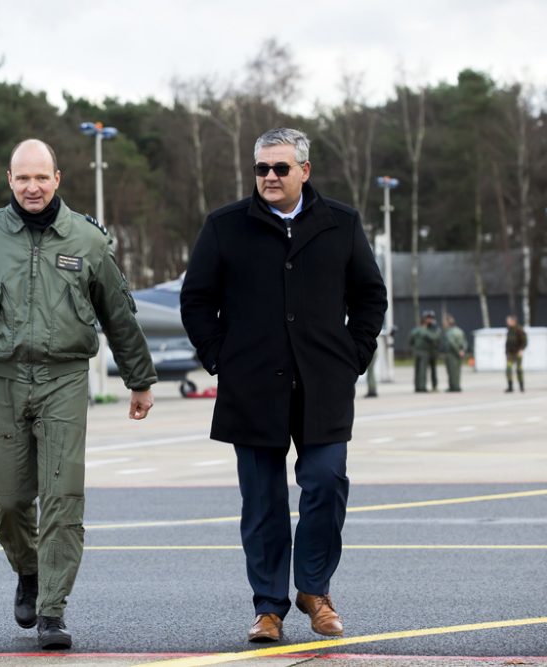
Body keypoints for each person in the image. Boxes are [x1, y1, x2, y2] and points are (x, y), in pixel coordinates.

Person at [0, 138, 157, 651]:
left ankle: (53, 610)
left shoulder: (88, 240)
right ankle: (30, 572)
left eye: (41, 177)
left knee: (62, 497)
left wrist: (139, 379)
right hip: (5, 378)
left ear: (58, 179)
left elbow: (119, 316)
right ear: (8, 181)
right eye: (22, 178)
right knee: (7, 499)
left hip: (64, 379)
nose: (32, 187)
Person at [180, 128, 387, 643]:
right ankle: (268, 607)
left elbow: (369, 297)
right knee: (263, 502)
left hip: (324, 385)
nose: (270, 177)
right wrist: (220, 358)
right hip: (252, 388)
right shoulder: (225, 226)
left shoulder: (341, 223)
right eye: (262, 169)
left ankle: (315, 592)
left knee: (326, 483)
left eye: (280, 168)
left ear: (305, 171)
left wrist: (352, 358)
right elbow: (196, 300)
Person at [409, 311, 440, 393]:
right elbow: (411, 340)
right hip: (424, 352)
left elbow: (436, 338)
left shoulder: (435, 328)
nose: (429, 320)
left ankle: (434, 385)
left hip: (432, 352)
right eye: (427, 318)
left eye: (430, 318)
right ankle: (420, 387)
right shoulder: (420, 329)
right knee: (421, 370)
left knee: (433, 370)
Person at [442, 314, 467, 392]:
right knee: (457, 371)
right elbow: (464, 342)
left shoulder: (449, 332)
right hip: (459, 353)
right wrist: (462, 351)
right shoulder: (459, 330)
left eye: (445, 322)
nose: (444, 324)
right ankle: (456, 385)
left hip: (451, 354)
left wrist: (458, 351)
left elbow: (452, 343)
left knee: (451, 371)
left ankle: (454, 387)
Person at [505, 314, 527, 393]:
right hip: (510, 353)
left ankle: (521, 386)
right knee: (508, 369)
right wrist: (506, 352)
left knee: (519, 369)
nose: (507, 322)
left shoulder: (519, 330)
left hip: (517, 353)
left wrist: (521, 350)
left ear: (513, 321)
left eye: (508, 321)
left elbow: (524, 341)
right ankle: (510, 386)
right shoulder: (509, 330)